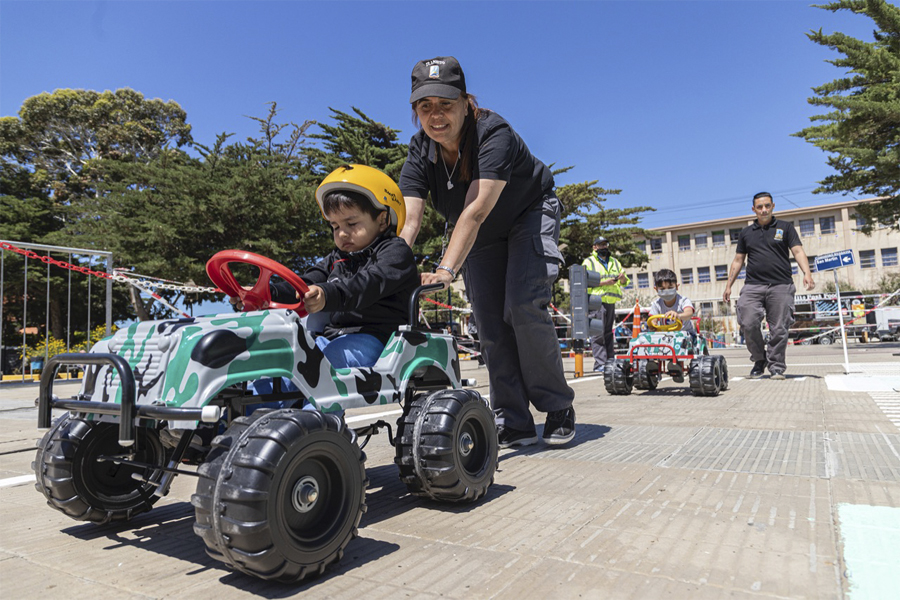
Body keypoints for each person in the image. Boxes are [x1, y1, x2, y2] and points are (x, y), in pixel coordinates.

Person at [397, 56, 575, 448]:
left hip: (526, 214)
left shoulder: (494, 134)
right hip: (481, 235)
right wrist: (387, 271)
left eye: (446, 104)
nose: (436, 115)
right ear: (415, 111)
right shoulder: (419, 152)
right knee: (489, 321)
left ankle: (558, 405)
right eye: (425, 107)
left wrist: (445, 270)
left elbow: (475, 211)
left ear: (465, 101)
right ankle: (514, 419)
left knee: (523, 304)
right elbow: (408, 223)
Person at [269, 164, 418, 368]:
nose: (342, 234)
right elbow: (303, 284)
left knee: (322, 366)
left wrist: (327, 294)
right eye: (335, 226)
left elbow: (367, 284)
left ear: (382, 220)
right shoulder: (337, 258)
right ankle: (259, 398)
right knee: (285, 361)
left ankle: (311, 401)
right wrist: (269, 293)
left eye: (352, 223)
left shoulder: (395, 253)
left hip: (380, 340)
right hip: (332, 338)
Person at [723, 191, 815, 379]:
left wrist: (807, 273)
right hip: (753, 286)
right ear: (754, 209)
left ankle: (776, 367)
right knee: (747, 321)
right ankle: (759, 359)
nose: (764, 210)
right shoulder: (746, 233)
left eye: (767, 206)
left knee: (779, 328)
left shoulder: (785, 228)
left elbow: (797, 251)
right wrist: (728, 285)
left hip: (781, 285)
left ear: (773, 206)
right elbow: (738, 260)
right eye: (759, 207)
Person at [582, 236, 630, 371]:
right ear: (594, 247)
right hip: (596, 301)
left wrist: (621, 279)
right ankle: (600, 364)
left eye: (605, 244)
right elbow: (583, 281)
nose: (603, 247)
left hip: (610, 301)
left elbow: (625, 281)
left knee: (608, 333)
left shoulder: (615, 262)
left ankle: (610, 362)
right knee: (598, 333)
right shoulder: (589, 262)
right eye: (600, 245)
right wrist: (604, 283)